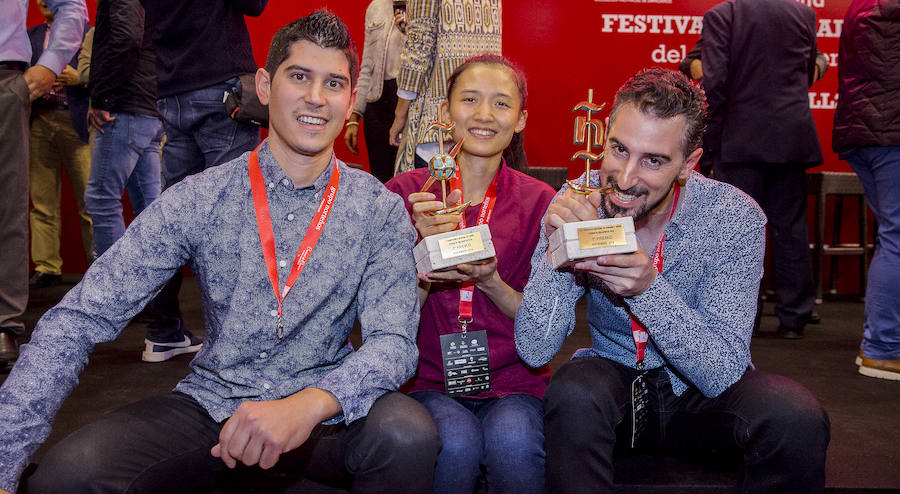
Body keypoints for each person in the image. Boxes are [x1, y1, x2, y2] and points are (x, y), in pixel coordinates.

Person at [0, 11, 439, 494]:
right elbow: (77, 319)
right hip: (214, 403)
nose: (316, 98)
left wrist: (310, 403)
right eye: (300, 77)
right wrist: (5, 456)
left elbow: (393, 343)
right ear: (266, 86)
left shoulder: (378, 208)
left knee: (406, 435)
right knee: (67, 477)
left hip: (328, 412)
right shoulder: (200, 198)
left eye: (334, 83)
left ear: (350, 99)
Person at [515, 68, 830, 492]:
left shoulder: (733, 217)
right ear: (602, 139)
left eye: (654, 160)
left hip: (700, 394)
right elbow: (535, 350)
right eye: (619, 149)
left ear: (689, 164)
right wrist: (557, 255)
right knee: (572, 395)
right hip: (615, 381)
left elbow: (721, 371)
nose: (625, 179)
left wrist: (648, 290)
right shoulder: (579, 202)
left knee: (795, 416)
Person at [386, 55, 554, 494]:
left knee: (514, 445)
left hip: (516, 379)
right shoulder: (405, 195)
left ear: (520, 120)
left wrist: (491, 282)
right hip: (426, 378)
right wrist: (424, 262)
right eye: (470, 100)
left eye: (501, 104)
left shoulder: (542, 203)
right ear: (445, 112)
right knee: (455, 445)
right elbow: (383, 323)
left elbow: (545, 325)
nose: (483, 115)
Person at [137, 0, 266, 359]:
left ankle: (162, 330)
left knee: (174, 216)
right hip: (220, 87)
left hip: (171, 90)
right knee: (232, 219)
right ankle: (232, 343)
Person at [84, 0, 202, 363]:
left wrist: (102, 95)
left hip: (124, 107)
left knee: (102, 201)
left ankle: (119, 297)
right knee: (156, 218)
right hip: (150, 106)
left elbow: (124, 36)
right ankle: (163, 329)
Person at [701, 0, 823, 339]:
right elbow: (806, 72)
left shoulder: (723, 15)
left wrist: (708, 146)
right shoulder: (804, 14)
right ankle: (795, 318)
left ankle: (740, 317)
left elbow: (714, 84)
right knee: (792, 230)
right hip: (792, 137)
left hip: (741, 141)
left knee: (735, 234)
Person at [0, 0, 87, 372]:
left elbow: (71, 5)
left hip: (5, 81)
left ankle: (3, 324)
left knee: (8, 206)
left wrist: (49, 64)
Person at [832, 0, 900, 380]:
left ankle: (882, 343)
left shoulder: (860, 7)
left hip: (863, 133)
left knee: (892, 235)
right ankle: (883, 348)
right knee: (897, 235)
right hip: (892, 134)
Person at [389, 0, 502, 174]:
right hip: (482, 116)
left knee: (430, 195)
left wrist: (399, 113)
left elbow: (419, 46)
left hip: (436, 120)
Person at [26, 0, 92, 288]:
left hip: (77, 122)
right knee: (41, 202)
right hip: (39, 120)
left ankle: (98, 264)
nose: (43, 2)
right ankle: (46, 266)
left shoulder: (90, 32)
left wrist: (81, 79)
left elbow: (112, 74)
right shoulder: (29, 36)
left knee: (91, 203)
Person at [343, 0, 407, 183]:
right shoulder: (376, 7)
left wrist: (408, 31)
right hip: (377, 103)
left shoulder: (424, 7)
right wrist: (355, 116)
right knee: (381, 177)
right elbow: (367, 64)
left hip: (407, 100)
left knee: (406, 177)